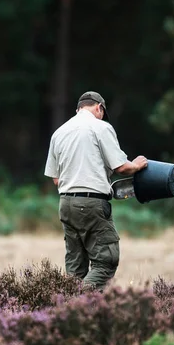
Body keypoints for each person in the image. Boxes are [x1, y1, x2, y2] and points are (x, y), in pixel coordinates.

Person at [44, 91, 148, 291]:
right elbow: (121, 167)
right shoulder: (101, 127)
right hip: (92, 204)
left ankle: (66, 312)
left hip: (65, 204)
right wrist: (136, 165)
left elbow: (56, 179)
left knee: (74, 269)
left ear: (78, 109)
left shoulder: (59, 132)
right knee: (105, 262)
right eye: (102, 112)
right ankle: (80, 306)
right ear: (99, 108)